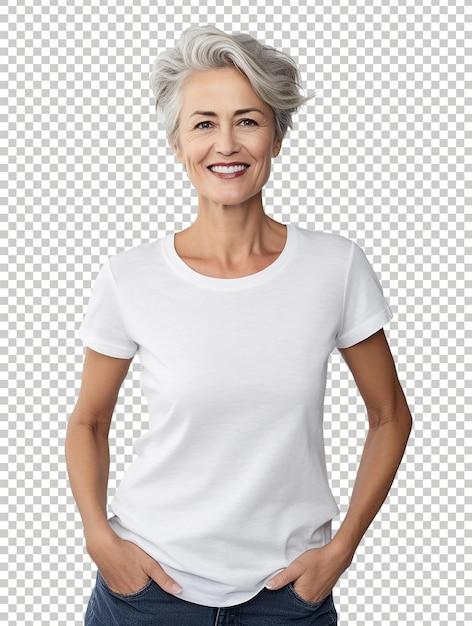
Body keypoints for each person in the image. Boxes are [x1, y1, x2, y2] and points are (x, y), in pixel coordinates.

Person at [66, 25, 412, 626]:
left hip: (287, 597)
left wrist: (341, 550)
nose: (226, 144)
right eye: (204, 123)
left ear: (276, 136)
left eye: (248, 120)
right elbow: (89, 421)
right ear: (177, 143)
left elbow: (389, 417)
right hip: (145, 592)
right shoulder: (131, 276)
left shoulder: (335, 266)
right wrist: (99, 537)